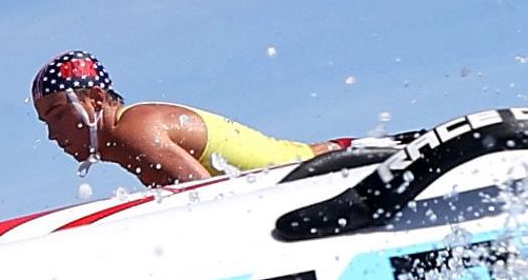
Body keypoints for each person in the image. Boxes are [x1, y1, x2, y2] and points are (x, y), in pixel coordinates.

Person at [28, 52, 316, 189]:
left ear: (96, 99)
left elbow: (211, 199)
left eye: (58, 115)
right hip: (309, 170)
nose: (52, 134)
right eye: (46, 122)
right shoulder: (125, 135)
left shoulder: (132, 131)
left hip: (325, 170)